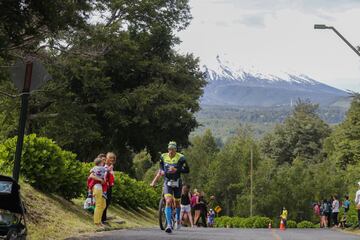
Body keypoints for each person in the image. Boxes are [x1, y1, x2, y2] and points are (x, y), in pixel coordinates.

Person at [160, 141, 189, 233]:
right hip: (167, 182)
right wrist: (161, 171)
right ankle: (169, 225)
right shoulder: (163, 156)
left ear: (175, 150)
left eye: (172, 149)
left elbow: (187, 170)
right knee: (168, 201)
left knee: (177, 203)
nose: (170, 151)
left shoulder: (181, 158)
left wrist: (177, 169)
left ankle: (178, 220)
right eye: (169, 149)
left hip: (177, 183)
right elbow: (161, 165)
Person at [88, 157, 106, 227]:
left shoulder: (95, 168)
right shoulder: (101, 168)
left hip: (100, 188)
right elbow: (91, 176)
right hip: (97, 187)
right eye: (102, 162)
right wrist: (100, 180)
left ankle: (99, 221)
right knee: (99, 205)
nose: (103, 163)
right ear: (100, 163)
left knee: (103, 205)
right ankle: (97, 222)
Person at [102, 152, 116, 224]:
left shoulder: (111, 166)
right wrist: (108, 170)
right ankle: (102, 219)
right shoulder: (104, 165)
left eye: (113, 158)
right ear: (107, 158)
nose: (112, 159)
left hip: (109, 186)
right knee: (104, 202)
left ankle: (104, 218)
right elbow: (103, 173)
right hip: (104, 186)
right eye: (110, 158)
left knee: (108, 201)